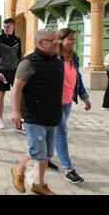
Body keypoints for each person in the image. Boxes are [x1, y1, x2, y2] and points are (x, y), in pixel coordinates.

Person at [11, 29, 63, 195]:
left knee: (46, 154)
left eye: (57, 41)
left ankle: (39, 184)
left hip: (52, 116)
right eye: (53, 41)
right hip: (34, 117)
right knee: (38, 153)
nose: (57, 43)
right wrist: (15, 111)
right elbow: (17, 88)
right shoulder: (28, 63)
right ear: (40, 43)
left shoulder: (57, 62)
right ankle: (18, 170)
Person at [46, 28, 91, 184]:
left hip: (67, 101)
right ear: (61, 40)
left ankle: (43, 158)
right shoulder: (53, 57)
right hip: (54, 101)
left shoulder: (74, 57)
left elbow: (77, 77)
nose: (73, 41)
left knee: (52, 131)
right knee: (61, 132)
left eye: (74, 38)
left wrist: (84, 97)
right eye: (70, 39)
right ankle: (68, 168)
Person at [0, 18, 22, 130]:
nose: (5, 28)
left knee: (17, 95)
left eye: (8, 27)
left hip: (15, 71)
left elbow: (19, 55)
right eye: (4, 27)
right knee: (1, 95)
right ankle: (0, 119)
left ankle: (17, 119)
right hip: (3, 72)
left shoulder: (17, 39)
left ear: (13, 26)